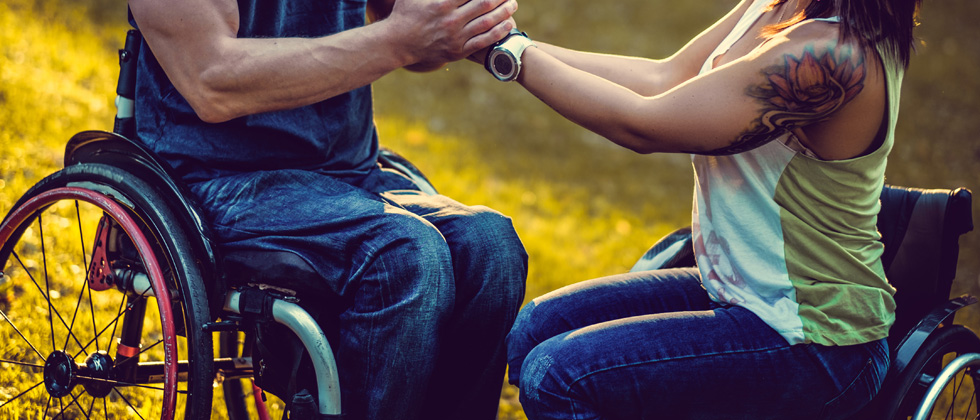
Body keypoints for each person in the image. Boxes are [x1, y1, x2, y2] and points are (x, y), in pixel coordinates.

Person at [483, 0, 920, 417]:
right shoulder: (781, 7)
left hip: (818, 344)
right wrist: (509, 41)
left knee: (558, 375)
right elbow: (666, 78)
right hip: (743, 293)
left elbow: (644, 124)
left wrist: (511, 56)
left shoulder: (830, 57)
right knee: (535, 330)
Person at [126, 0, 529, 419]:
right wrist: (398, 41)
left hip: (348, 173)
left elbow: (405, 21)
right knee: (406, 256)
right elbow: (211, 80)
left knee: (491, 246)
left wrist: (452, 20)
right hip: (216, 177)